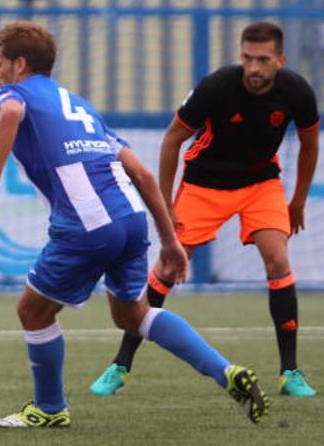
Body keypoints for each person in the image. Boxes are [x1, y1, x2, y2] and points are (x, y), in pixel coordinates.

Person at [0, 20, 269, 428]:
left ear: (19, 64)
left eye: (0, 63)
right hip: (130, 218)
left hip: (88, 224)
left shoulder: (14, 93)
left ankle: (50, 409)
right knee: (133, 315)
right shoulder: (82, 107)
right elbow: (143, 175)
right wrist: (169, 241)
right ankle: (226, 371)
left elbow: (9, 110)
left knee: (32, 311)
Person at [89, 21, 318, 399]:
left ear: (281, 59)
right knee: (167, 266)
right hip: (203, 184)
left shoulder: (296, 92)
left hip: (261, 184)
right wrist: (164, 204)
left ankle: (290, 372)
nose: (254, 68)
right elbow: (172, 140)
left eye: (263, 59)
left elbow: (310, 144)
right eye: (247, 58)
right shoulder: (217, 87)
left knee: (278, 260)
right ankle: (120, 364)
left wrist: (297, 201)